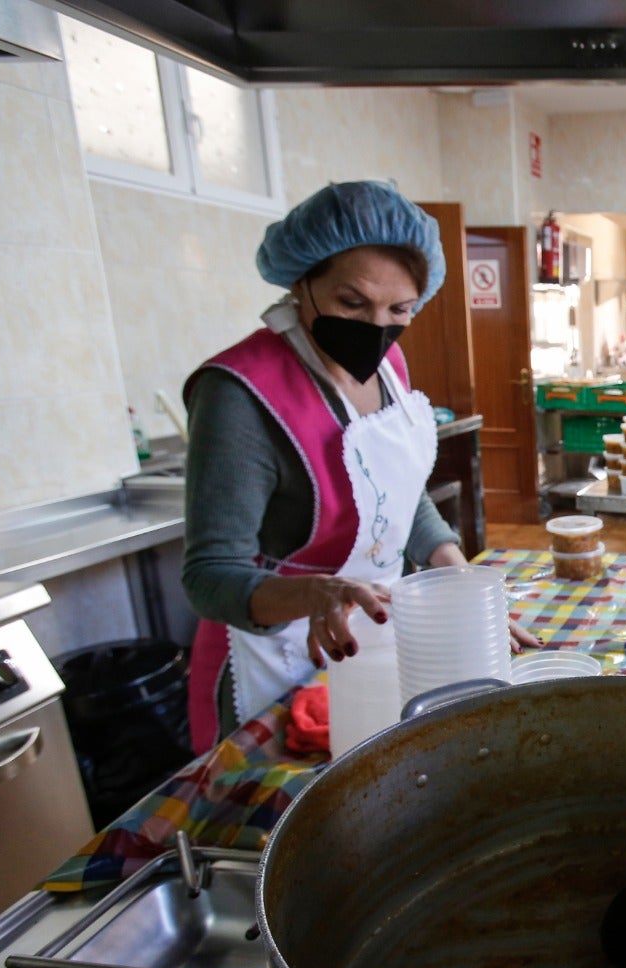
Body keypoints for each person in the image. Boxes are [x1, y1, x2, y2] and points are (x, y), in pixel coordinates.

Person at [182, 180, 536, 753]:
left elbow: (397, 494)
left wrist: (458, 578)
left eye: (400, 309)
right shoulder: (239, 394)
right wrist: (318, 594)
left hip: (373, 641)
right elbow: (208, 577)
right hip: (277, 657)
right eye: (352, 303)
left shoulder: (388, 363)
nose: (376, 327)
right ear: (302, 281)